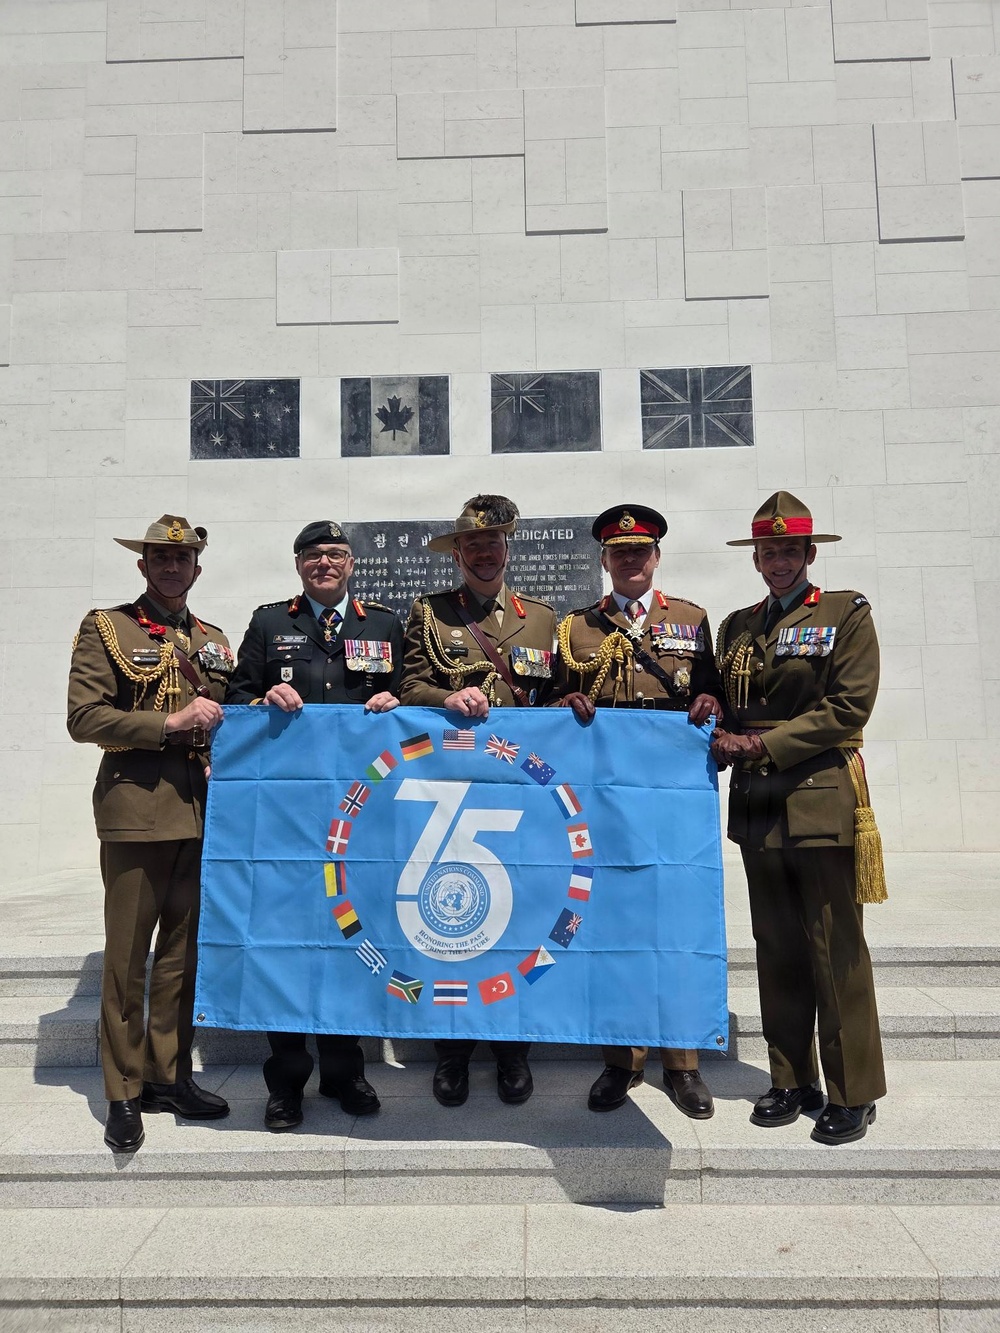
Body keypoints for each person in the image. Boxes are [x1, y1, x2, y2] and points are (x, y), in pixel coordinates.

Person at [711, 491, 886, 1145]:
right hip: (758, 807)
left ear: (810, 554)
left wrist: (759, 743)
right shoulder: (738, 625)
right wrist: (712, 721)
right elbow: (730, 704)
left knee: (834, 948)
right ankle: (792, 1078)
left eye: (790, 550)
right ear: (756, 558)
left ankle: (853, 1090)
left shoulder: (845, 612)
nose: (779, 560)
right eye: (768, 551)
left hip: (818, 799)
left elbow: (848, 708)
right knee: (777, 949)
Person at [227, 520, 403, 1131]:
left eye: (335, 554)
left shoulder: (382, 624)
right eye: (313, 556)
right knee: (286, 939)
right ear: (299, 564)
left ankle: (345, 1071)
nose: (325, 563)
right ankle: (286, 1083)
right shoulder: (270, 622)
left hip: (361, 815)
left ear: (352, 563)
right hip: (287, 816)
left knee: (355, 936)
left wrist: (393, 704)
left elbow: (406, 698)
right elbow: (238, 695)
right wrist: (262, 702)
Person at [67, 516, 233, 1154]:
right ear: (143, 567)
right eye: (159, 559)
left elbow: (233, 710)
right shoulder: (107, 627)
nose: (171, 568)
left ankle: (170, 1075)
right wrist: (171, 723)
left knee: (180, 958)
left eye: (181, 559)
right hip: (136, 812)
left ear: (197, 568)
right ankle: (123, 1091)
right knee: (126, 959)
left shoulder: (214, 639)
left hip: (201, 814)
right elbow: (84, 717)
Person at [555, 504, 723, 1118]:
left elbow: (714, 692)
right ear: (604, 559)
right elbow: (551, 700)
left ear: (656, 557)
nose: (630, 559)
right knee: (614, 922)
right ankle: (620, 1062)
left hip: (673, 800)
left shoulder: (693, 620)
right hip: (603, 799)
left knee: (676, 922)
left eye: (641, 550)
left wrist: (708, 699)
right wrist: (564, 700)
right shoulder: (577, 627)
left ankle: (683, 1063)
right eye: (618, 551)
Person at [401, 494, 557, 1107]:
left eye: (494, 543)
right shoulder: (431, 615)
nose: (485, 553)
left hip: (524, 794)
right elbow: (407, 683)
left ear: (506, 548)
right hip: (455, 789)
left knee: (518, 917)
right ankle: (453, 1052)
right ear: (458, 553)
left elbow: (561, 697)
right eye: (473, 545)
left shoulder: (543, 619)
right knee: (452, 922)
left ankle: (513, 1051)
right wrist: (447, 698)